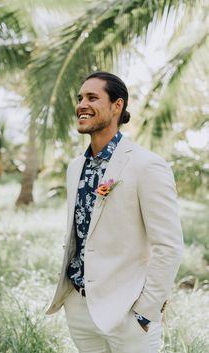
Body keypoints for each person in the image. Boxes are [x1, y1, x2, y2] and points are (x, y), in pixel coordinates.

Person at [46, 71, 184, 353]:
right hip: (79, 306)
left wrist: (146, 310)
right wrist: (73, 299)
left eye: (92, 97)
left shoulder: (147, 165)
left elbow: (168, 245)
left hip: (127, 314)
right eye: (80, 98)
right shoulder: (75, 168)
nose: (82, 104)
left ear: (117, 106)